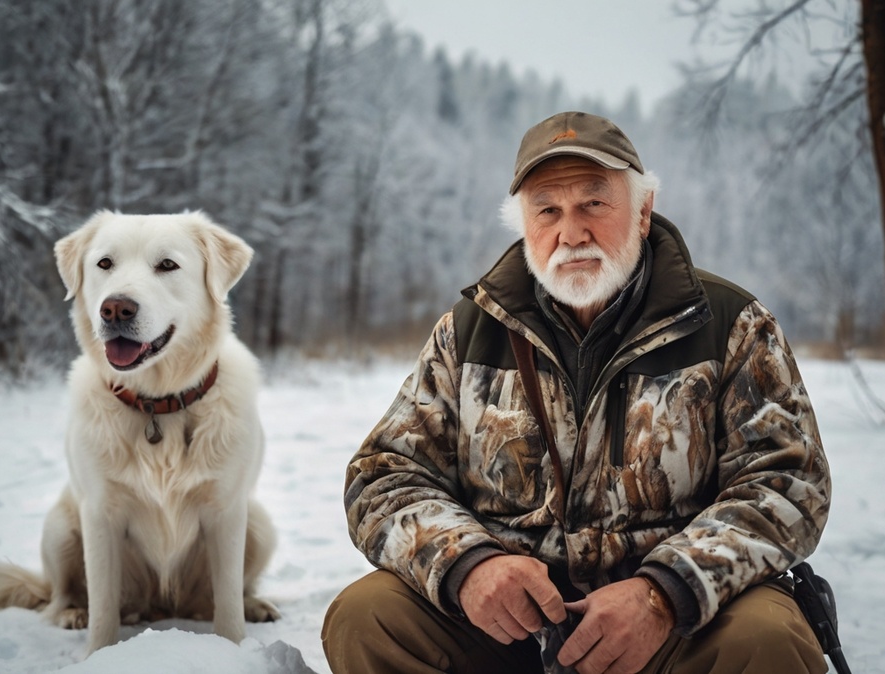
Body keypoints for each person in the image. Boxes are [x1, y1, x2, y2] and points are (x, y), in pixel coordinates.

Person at [323, 111, 831, 674]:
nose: (571, 233)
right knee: (367, 616)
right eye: (548, 210)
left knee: (768, 638)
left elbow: (789, 482)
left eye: (593, 203)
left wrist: (664, 594)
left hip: (674, 629)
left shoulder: (730, 323)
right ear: (524, 225)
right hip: (508, 628)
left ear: (643, 211)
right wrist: (471, 566)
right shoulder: (467, 332)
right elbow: (385, 476)